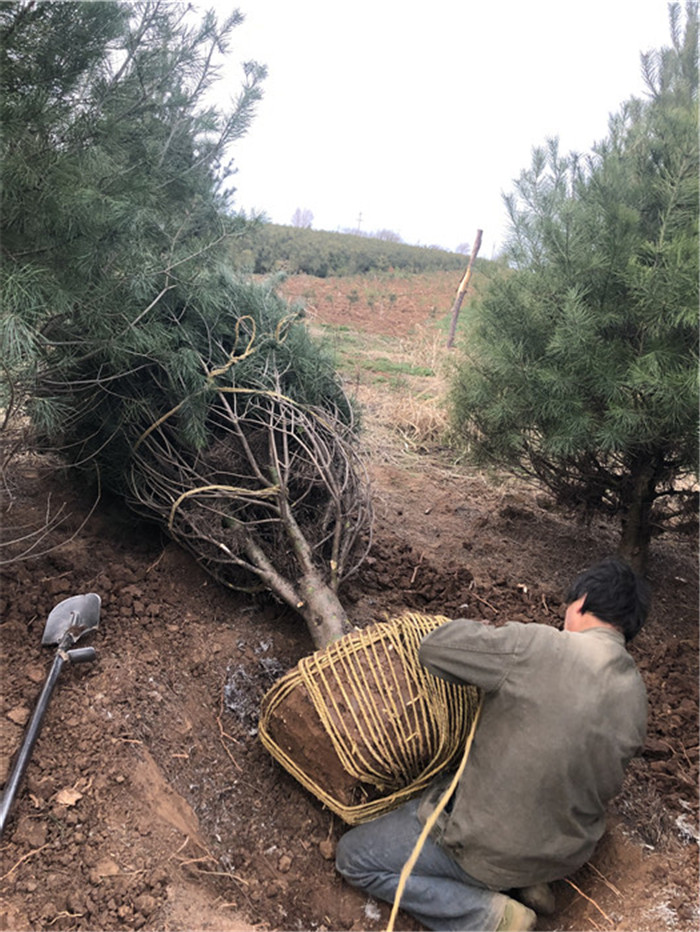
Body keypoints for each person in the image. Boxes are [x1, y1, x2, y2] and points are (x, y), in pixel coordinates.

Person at [335, 556, 649, 931]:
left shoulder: (537, 645)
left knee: (355, 857)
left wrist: (486, 632)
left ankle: (489, 917)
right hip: (565, 857)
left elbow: (435, 648)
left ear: (581, 602)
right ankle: (529, 882)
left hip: (489, 853)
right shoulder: (636, 696)